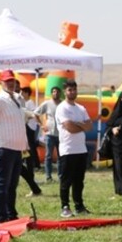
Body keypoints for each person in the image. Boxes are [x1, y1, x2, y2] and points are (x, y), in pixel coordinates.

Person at [0, 70, 27, 223]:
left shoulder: (16, 99)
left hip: (16, 148)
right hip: (3, 147)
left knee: (12, 184)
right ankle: (1, 217)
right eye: (7, 81)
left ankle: (11, 214)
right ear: (1, 83)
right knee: (3, 183)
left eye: (12, 81)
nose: (11, 84)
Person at [55, 79, 92, 217]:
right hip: (67, 149)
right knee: (66, 180)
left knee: (79, 181)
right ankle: (65, 206)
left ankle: (79, 205)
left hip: (81, 149)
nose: (72, 92)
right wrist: (80, 125)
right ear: (65, 92)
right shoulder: (62, 108)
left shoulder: (81, 108)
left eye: (74, 89)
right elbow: (69, 128)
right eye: (69, 90)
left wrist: (78, 124)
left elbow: (89, 126)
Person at [36, 86, 63, 182]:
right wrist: (41, 125)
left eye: (57, 91)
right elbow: (36, 113)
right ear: (51, 93)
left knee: (61, 156)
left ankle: (61, 176)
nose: (55, 93)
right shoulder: (47, 104)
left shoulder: (63, 104)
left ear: (60, 93)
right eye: (54, 92)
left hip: (60, 134)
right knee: (48, 156)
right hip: (49, 134)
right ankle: (48, 176)